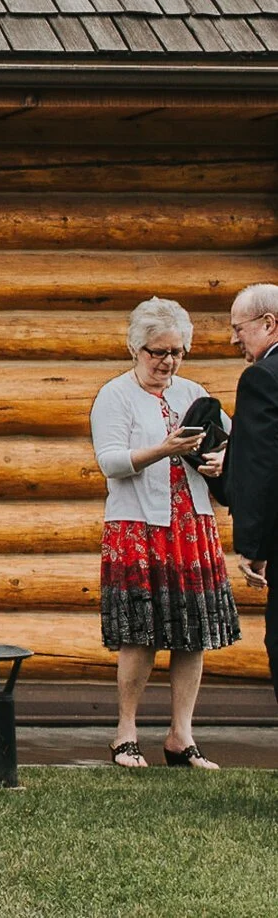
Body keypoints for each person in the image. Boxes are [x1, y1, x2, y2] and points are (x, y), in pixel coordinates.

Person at [91, 296, 238, 768]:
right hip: (138, 527)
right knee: (139, 633)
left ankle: (181, 736)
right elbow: (111, 461)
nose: (168, 362)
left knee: (192, 633)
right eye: (158, 352)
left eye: (176, 352)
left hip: (191, 525)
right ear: (136, 348)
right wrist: (164, 448)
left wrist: (221, 459)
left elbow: (232, 442)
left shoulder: (193, 392)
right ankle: (125, 734)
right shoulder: (115, 395)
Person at [225, 282, 278, 703]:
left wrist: (252, 545)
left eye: (238, 328)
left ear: (268, 323)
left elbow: (262, 465)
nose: (233, 339)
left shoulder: (262, 378)